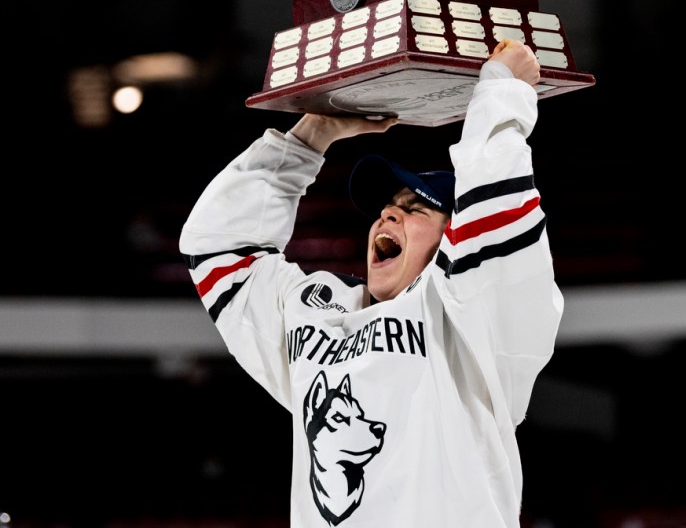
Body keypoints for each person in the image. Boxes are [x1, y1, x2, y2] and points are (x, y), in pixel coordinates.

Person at [180, 40, 563, 527]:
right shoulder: (316, 314)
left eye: (415, 208)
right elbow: (216, 246)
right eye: (387, 207)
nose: (388, 213)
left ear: (456, 239)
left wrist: (502, 90)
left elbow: (496, 207)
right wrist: (311, 135)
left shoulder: (474, 321)